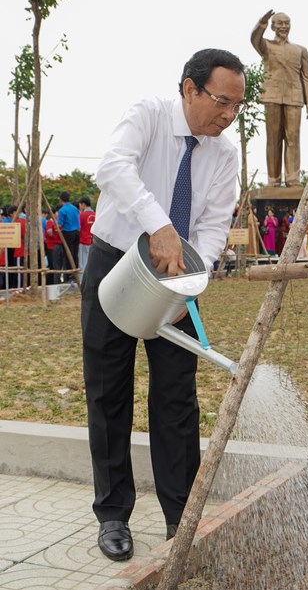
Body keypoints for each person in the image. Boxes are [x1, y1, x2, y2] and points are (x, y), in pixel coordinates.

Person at [81, 48, 245, 562]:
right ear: (189, 89)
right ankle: (113, 515)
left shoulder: (225, 153)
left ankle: (181, 518)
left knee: (177, 400)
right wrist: (160, 225)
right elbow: (112, 167)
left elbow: (216, 224)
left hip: (179, 280)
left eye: (237, 106)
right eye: (221, 101)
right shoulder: (148, 115)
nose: (228, 115)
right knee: (109, 393)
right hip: (116, 264)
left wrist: (193, 286)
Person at [251, 10, 308, 188]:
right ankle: (273, 178)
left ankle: (293, 178)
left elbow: (306, 77)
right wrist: (261, 22)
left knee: (293, 139)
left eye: (287, 23)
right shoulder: (266, 46)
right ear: (273, 26)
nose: (284, 26)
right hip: (272, 95)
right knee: (273, 139)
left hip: (294, 96)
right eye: (280, 23)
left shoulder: (300, 50)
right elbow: (254, 39)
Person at [57, 191, 81, 282]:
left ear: (61, 199)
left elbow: (60, 224)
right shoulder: (75, 209)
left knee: (67, 254)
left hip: (68, 233)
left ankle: (69, 276)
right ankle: (75, 275)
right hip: (76, 233)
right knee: (75, 254)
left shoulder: (62, 210)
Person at [78, 196, 95, 274]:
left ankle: (82, 281)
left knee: (82, 263)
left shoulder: (82, 215)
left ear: (83, 204)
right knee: (91, 262)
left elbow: (79, 228)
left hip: (84, 241)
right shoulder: (95, 214)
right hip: (93, 241)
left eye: (80, 205)